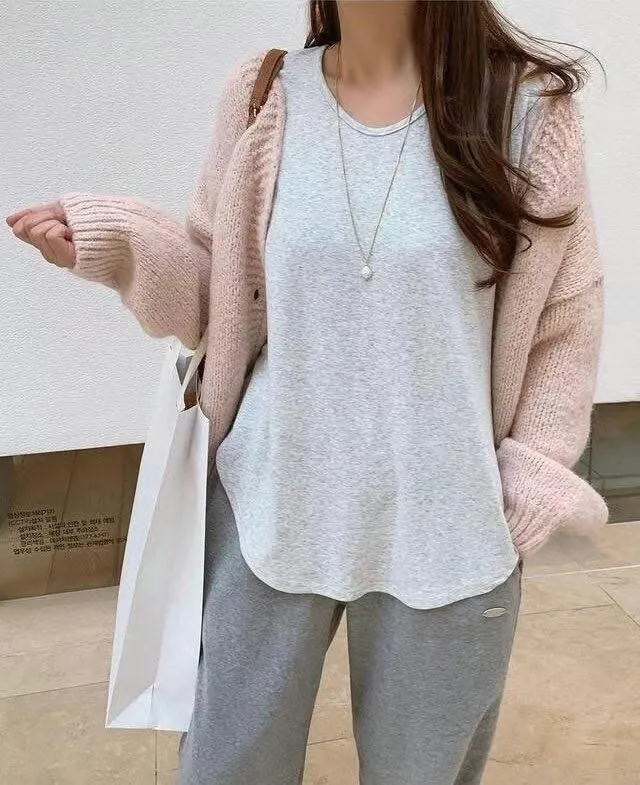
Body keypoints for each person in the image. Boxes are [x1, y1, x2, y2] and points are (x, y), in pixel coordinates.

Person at [7, 2, 608, 783]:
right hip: (272, 500)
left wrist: (530, 475)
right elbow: (218, 293)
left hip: (448, 518)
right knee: (229, 764)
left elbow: (567, 314)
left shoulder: (526, 111)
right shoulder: (263, 97)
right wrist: (120, 242)